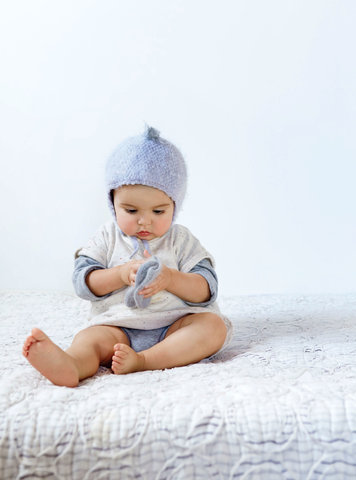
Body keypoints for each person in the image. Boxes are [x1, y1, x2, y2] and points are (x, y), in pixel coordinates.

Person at [22, 126, 232, 387]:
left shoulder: (180, 239)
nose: (145, 221)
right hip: (117, 327)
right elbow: (83, 282)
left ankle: (144, 360)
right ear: (113, 203)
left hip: (176, 325)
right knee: (89, 340)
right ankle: (72, 365)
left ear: (175, 206)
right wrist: (120, 274)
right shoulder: (107, 237)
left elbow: (206, 288)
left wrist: (170, 279)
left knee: (214, 327)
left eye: (158, 211)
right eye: (131, 210)